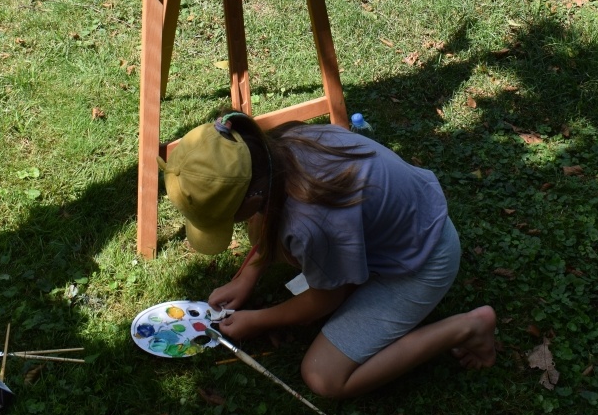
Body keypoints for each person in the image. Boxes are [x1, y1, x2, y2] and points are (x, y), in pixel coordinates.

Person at [158, 111, 496, 399]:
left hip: (423, 262)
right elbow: (268, 216)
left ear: (250, 198)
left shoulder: (309, 224)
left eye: (228, 216)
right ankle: (354, 272)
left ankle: (466, 328)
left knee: (324, 377)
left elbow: (323, 299)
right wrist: (250, 273)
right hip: (408, 226)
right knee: (286, 235)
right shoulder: (280, 147)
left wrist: (259, 320)